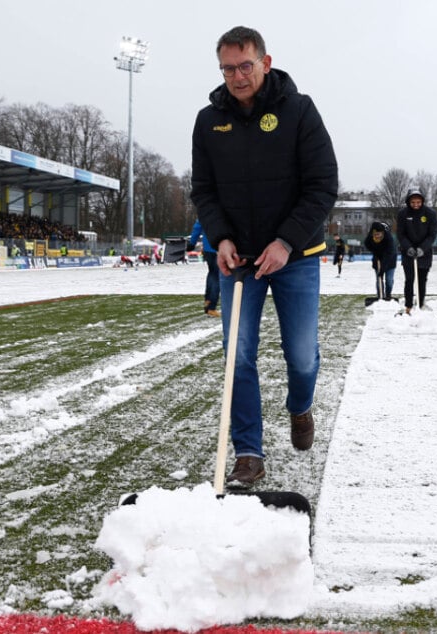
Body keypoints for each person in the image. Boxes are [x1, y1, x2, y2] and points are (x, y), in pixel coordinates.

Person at [190, 25, 338, 488]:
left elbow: (322, 187)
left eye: (245, 65)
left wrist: (285, 242)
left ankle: (300, 408)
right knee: (238, 356)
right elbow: (204, 191)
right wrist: (220, 238)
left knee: (301, 358)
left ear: (265, 62)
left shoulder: (299, 110)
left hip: (294, 256)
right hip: (240, 263)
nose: (237, 76)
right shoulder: (207, 121)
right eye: (228, 68)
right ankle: (249, 453)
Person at [396, 188, 437, 314]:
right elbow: (400, 234)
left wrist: (422, 248)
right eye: (413, 202)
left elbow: (432, 234)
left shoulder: (430, 213)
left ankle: (420, 305)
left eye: (418, 202)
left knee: (421, 280)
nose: (415, 205)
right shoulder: (403, 214)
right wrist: (408, 247)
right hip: (408, 252)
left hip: (424, 253)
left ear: (422, 201)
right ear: (408, 201)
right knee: (409, 280)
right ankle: (408, 306)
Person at [189, 219, 220, 317]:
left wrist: (192, 242)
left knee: (212, 274)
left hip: (207, 248)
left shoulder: (207, 209)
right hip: (218, 248)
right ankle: (211, 307)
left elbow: (198, 226)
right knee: (217, 277)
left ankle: (207, 300)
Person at [364, 221, 396, 298]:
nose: (377, 236)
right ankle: (380, 296)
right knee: (379, 281)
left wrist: (382, 269)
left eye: (379, 234)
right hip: (377, 260)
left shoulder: (388, 239)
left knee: (389, 281)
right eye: (375, 234)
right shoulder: (371, 237)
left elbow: (389, 254)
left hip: (390, 261)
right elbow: (366, 244)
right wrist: (375, 252)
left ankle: (388, 295)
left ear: (382, 233)